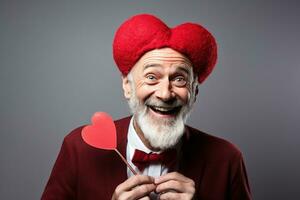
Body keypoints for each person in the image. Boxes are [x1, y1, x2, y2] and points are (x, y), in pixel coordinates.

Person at [41, 14, 252, 200]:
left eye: (179, 79)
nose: (165, 93)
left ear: (194, 92)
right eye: (151, 77)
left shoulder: (226, 159)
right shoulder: (79, 149)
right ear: (128, 86)